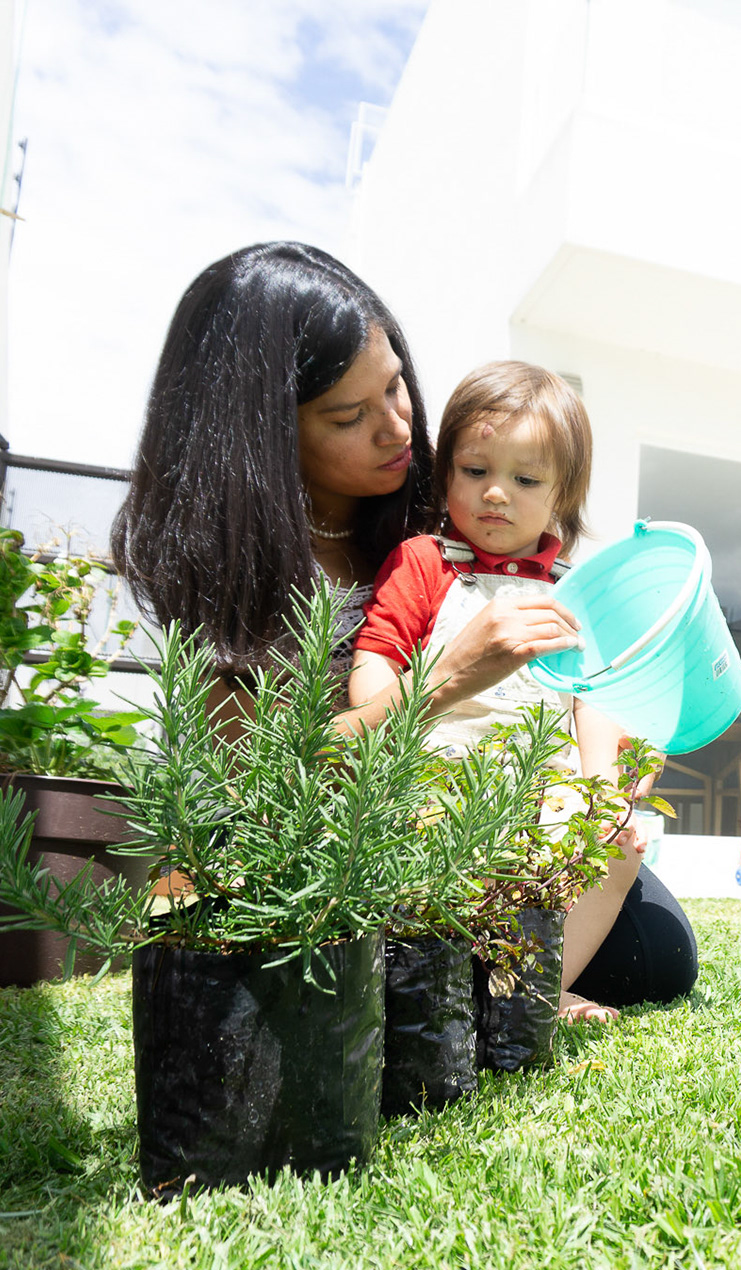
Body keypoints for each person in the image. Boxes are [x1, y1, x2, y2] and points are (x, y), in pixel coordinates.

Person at [110, 242, 696, 1017]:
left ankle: (516, 991)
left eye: (395, 389)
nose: (396, 431)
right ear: (262, 437)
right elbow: (269, 790)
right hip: (365, 824)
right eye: (349, 415)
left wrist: (613, 775)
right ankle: (475, 992)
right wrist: (446, 679)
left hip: (520, 797)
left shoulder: (455, 497)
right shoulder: (233, 575)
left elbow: (598, 684)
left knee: (660, 952)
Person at [351, 360, 697, 1014]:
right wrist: (379, 727)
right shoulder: (426, 562)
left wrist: (605, 789)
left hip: (543, 782)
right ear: (446, 470)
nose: (496, 494)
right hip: (444, 777)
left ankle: (539, 989)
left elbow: (592, 695)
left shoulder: (576, 587)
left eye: (525, 478)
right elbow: (378, 658)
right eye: (475, 471)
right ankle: (462, 983)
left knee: (614, 848)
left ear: (561, 492)